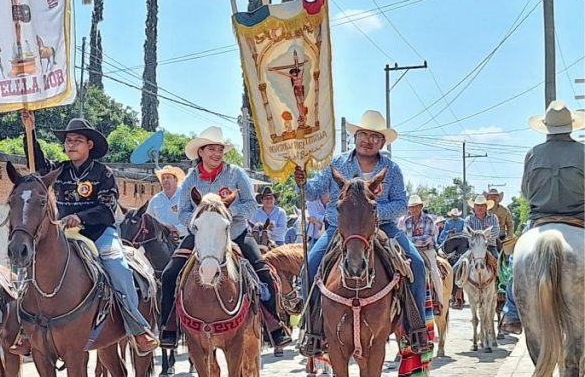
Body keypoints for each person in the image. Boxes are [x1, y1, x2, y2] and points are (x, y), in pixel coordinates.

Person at [294, 110, 431, 356]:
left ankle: (416, 329)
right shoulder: (337, 164)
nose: (368, 140)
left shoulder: (392, 168)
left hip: (384, 228)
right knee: (309, 268)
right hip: (340, 229)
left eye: (375, 137)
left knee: (418, 265)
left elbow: (400, 203)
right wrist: (302, 180)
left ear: (382, 142)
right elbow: (314, 192)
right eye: (364, 135)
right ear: (356, 137)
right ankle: (312, 330)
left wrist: (370, 211)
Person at [21, 111, 159, 354]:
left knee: (118, 266)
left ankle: (137, 327)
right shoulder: (59, 170)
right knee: (30, 265)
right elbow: (38, 163)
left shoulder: (103, 173)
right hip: (65, 234)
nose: (71, 145)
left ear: (89, 144)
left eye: (77, 141)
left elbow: (107, 209)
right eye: (68, 141)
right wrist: (29, 131)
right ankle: (25, 328)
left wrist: (80, 217)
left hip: (99, 234)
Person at [158, 126, 292, 349]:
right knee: (170, 273)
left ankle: (273, 324)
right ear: (201, 152)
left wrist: (226, 213)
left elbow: (250, 204)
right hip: (200, 236)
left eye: (219, 149)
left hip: (235, 233)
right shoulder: (191, 179)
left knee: (264, 272)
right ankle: (168, 327)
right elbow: (182, 211)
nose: (216, 153)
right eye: (211, 149)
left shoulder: (236, 174)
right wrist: (201, 220)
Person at [502, 100, 585, 334]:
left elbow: (526, 192)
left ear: (547, 127)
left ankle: (512, 312)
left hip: (540, 221)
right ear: (571, 126)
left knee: (513, 263)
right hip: (579, 218)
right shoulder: (583, 152)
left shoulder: (533, 154)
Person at [402, 195, 444, 312]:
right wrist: (411, 241)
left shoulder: (428, 220)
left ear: (421, 207)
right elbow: (405, 237)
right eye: (411, 207)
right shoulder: (406, 221)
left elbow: (427, 238)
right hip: (411, 251)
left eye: (416, 207)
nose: (414, 209)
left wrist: (411, 241)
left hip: (427, 250)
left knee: (435, 274)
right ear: (408, 209)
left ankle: (439, 302)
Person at [146, 165, 187, 237]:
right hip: (160, 242)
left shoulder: (185, 197)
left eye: (168, 177)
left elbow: (191, 220)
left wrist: (176, 228)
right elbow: (148, 219)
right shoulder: (155, 200)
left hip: (181, 240)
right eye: (163, 178)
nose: (165, 180)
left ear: (176, 180)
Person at [485, 187, 515, 255]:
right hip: (487, 238)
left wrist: (508, 237)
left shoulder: (505, 210)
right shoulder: (484, 210)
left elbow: (510, 225)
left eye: (495, 196)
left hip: (502, 237)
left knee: (509, 252)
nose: (493, 198)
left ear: (498, 198)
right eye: (491, 196)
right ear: (488, 198)